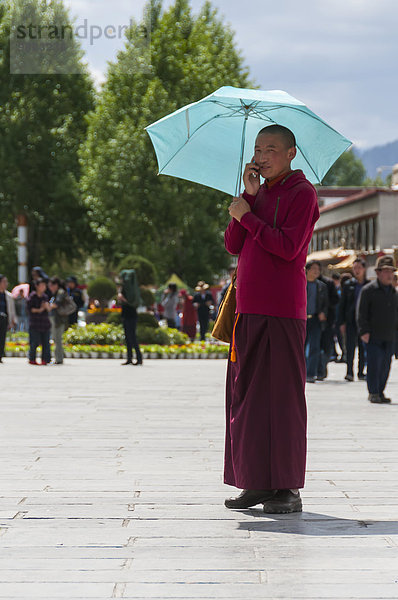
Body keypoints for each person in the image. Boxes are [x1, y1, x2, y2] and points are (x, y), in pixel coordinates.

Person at [223, 124, 319, 514]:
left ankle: (287, 488)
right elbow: (233, 244)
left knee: (282, 399)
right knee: (245, 398)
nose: (262, 157)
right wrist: (247, 200)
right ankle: (255, 481)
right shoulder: (257, 194)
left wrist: (249, 216)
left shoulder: (303, 194)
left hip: (282, 310)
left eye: (271, 149)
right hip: (248, 310)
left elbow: (288, 247)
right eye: (258, 149)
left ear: (291, 153)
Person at [357, 255, 398, 404]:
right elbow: (361, 313)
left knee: (386, 366)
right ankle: (373, 392)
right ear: (378, 273)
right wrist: (364, 331)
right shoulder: (369, 290)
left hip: (389, 335)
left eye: (391, 271)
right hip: (373, 335)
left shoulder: (394, 293)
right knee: (374, 365)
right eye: (386, 271)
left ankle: (380, 391)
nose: (389, 275)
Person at [338, 258, 370, 381]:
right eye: (354, 268)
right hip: (350, 320)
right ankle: (349, 372)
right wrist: (341, 322)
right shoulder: (348, 285)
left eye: (359, 268)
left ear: (364, 269)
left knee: (363, 347)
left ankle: (361, 372)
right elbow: (342, 305)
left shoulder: (369, 285)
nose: (357, 271)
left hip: (364, 321)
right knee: (350, 347)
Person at [304, 261, 328, 383]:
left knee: (315, 347)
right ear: (307, 269)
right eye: (313, 269)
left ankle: (310, 374)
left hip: (315, 320)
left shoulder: (322, 286)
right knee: (301, 348)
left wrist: (324, 313)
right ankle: (301, 372)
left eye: (318, 269)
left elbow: (326, 304)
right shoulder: (301, 283)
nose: (316, 271)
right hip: (301, 320)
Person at [317, 265, 339, 380]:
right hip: (312, 319)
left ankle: (322, 368)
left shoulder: (328, 283)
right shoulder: (305, 282)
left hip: (327, 320)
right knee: (314, 346)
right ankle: (316, 370)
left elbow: (336, 300)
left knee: (326, 345)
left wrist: (325, 308)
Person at [118, 272, 143, 366]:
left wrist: (123, 299)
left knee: (132, 337)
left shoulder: (131, 289)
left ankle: (139, 358)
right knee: (128, 338)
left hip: (131, 315)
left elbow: (132, 302)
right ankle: (129, 358)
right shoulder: (125, 288)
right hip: (126, 314)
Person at [27, 278, 51, 365]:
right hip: (35, 323)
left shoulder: (45, 297)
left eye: (44, 285)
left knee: (46, 343)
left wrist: (47, 306)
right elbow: (30, 309)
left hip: (45, 323)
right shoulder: (32, 296)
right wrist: (40, 309)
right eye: (41, 285)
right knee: (34, 342)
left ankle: (45, 359)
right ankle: (32, 359)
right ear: (37, 286)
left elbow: (49, 310)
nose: (43, 287)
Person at [47, 277, 69, 365]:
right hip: (56, 319)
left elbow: (57, 304)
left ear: (56, 285)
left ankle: (59, 359)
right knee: (56, 339)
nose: (50, 287)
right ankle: (58, 357)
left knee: (57, 339)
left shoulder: (60, 292)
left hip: (59, 319)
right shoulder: (55, 293)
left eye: (51, 285)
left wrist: (49, 306)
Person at [0, 274, 16, 363]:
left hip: (4, 318)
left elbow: (11, 309)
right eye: (4, 282)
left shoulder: (8, 295)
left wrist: (13, 320)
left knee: (2, 337)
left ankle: (0, 355)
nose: (6, 284)